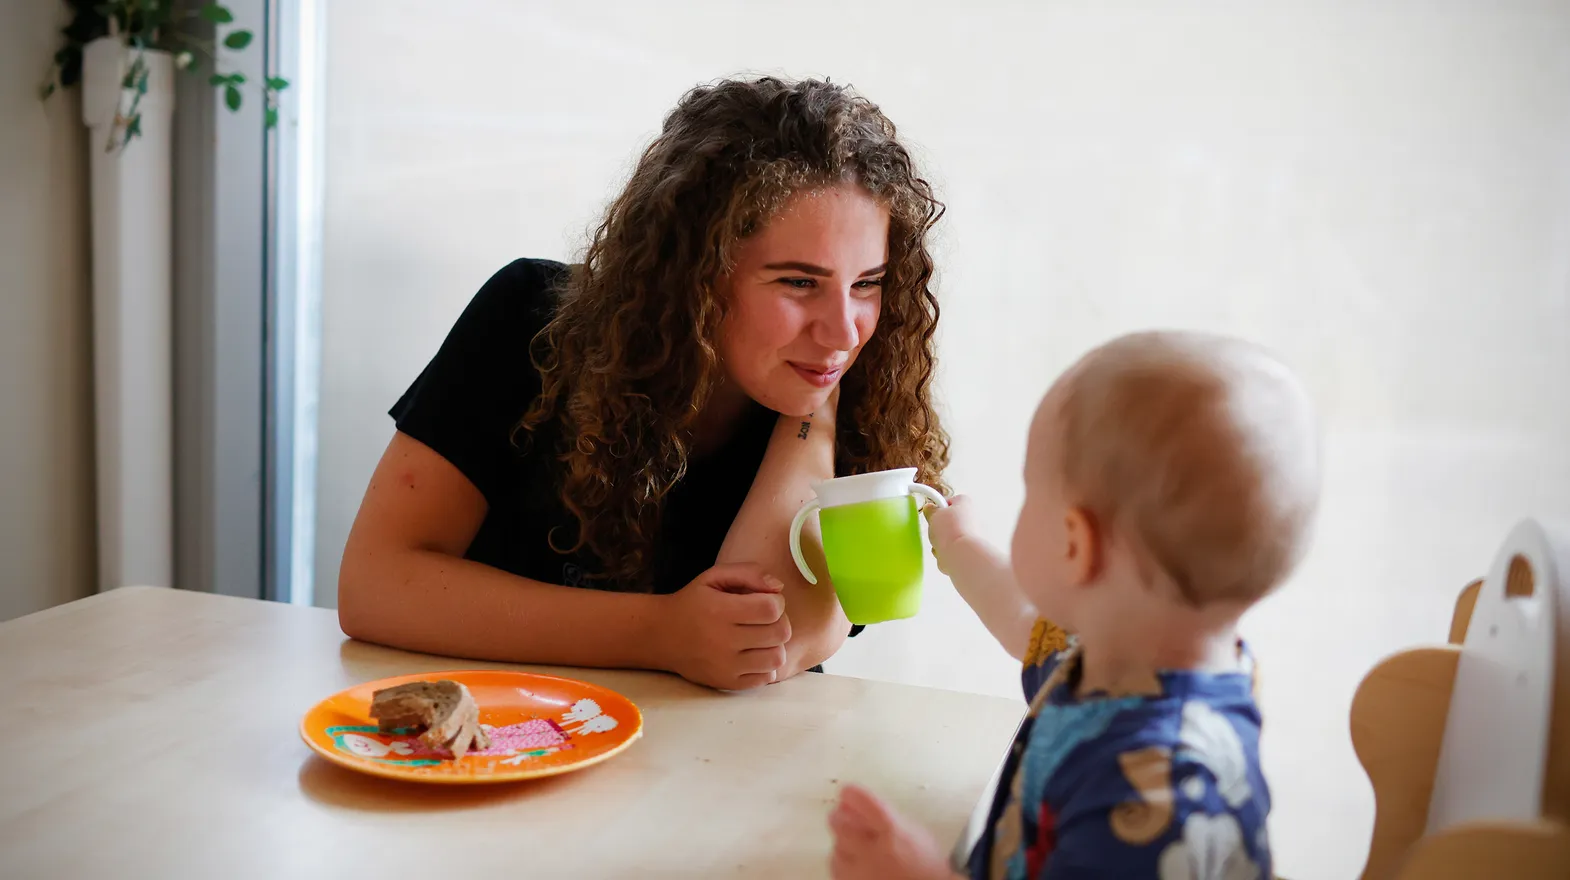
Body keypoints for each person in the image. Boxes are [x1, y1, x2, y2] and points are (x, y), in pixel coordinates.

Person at [337, 76, 950, 691]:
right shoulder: (527, 319)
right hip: (499, 741)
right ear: (694, 276)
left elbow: (767, 640)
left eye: (867, 283)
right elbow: (375, 586)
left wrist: (813, 416)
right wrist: (659, 632)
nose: (844, 330)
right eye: (798, 283)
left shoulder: (859, 397)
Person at [828, 331, 1321, 879]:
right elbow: (1020, 617)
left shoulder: (1154, 795)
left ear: (1073, 543)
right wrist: (960, 546)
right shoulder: (1127, 660)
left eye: (1030, 488)